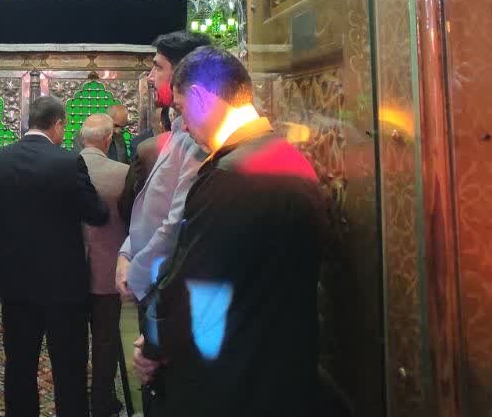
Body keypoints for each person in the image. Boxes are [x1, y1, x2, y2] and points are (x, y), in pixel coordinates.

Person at [132, 46, 328, 416]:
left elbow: (193, 285)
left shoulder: (231, 176)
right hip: (280, 374)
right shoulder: (285, 156)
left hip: (230, 382)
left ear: (201, 98)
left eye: (181, 110)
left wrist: (154, 343)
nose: (183, 125)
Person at [0, 96, 109, 417]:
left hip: (14, 284)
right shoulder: (68, 162)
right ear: (58, 124)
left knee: (19, 366)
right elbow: (96, 213)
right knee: (70, 367)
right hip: (64, 285)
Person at [117, 31, 211, 305]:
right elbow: (150, 208)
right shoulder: (180, 130)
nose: (150, 77)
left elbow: (174, 225)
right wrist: (126, 253)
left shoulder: (198, 137)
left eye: (158, 67)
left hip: (166, 288)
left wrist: (136, 275)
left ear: (183, 73)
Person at [77, 114, 130, 417]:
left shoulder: (60, 171)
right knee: (105, 340)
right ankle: (101, 401)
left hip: (70, 270)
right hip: (108, 269)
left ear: (81, 138)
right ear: (109, 140)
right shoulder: (123, 174)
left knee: (71, 338)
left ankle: (73, 396)